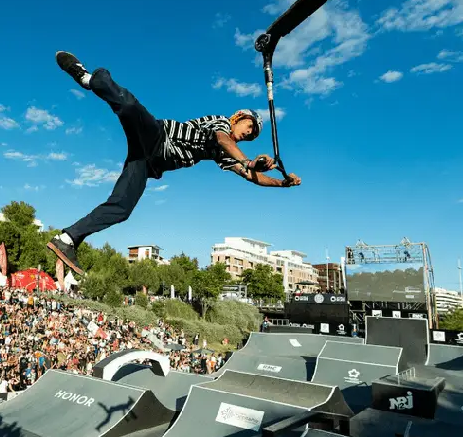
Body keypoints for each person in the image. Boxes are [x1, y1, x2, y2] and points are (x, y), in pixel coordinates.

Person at [47, 51, 301, 275]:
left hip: (148, 164)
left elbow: (250, 176)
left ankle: (67, 238)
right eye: (250, 127)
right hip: (157, 137)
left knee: (122, 208)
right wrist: (249, 161)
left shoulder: (226, 155)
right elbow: (224, 140)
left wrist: (281, 183)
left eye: (254, 134)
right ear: (239, 118)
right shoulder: (221, 123)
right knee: (129, 107)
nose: (251, 133)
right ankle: (90, 77)